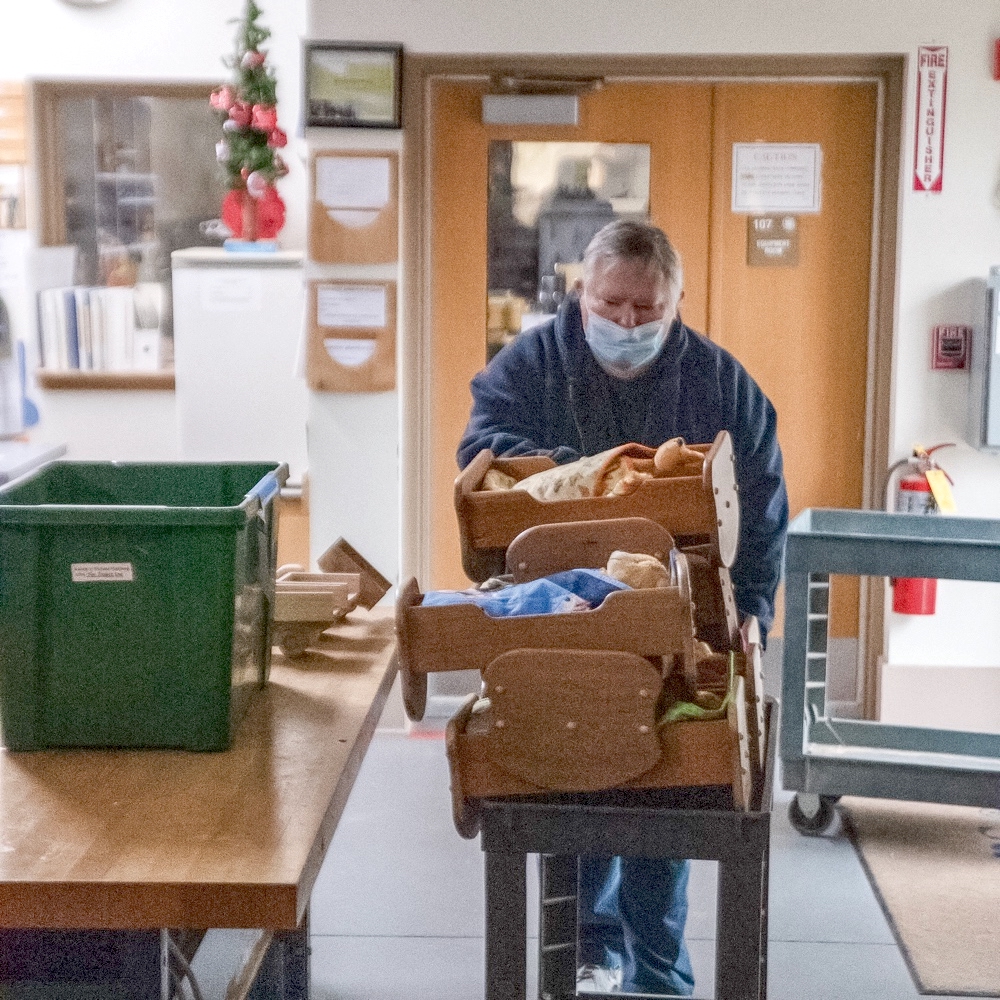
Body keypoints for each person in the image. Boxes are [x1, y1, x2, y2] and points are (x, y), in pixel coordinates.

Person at [457, 219, 788, 996]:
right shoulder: (531, 364)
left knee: (663, 790)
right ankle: (586, 948)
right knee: (570, 774)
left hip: (686, 628)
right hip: (558, 620)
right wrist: (594, 474)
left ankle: (658, 970)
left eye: (649, 309)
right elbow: (484, 451)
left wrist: (756, 615)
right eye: (614, 305)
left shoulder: (721, 382)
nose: (630, 324)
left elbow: (764, 506)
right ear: (581, 293)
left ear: (677, 301)